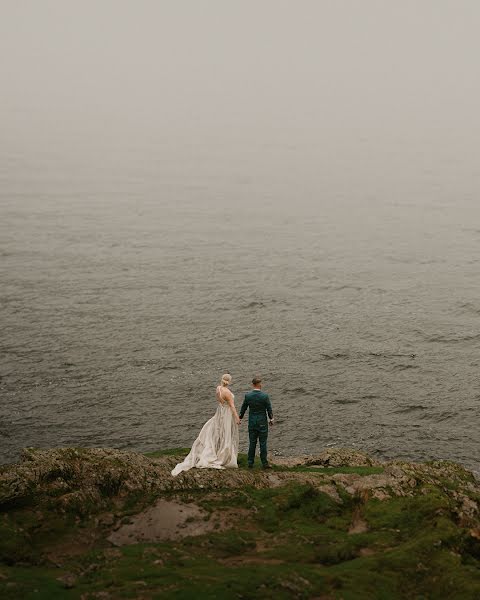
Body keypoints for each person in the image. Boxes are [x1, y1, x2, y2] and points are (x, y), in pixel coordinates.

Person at [171, 374, 240, 476]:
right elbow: (232, 406)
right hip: (226, 414)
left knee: (218, 431)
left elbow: (220, 401)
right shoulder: (228, 392)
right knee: (225, 433)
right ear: (229, 381)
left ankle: (217, 450)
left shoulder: (218, 389)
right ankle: (223, 455)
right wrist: (237, 417)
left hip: (220, 411)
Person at [239, 376, 274, 469]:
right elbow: (269, 409)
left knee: (252, 443)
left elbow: (243, 408)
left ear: (252, 384)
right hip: (262, 422)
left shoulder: (248, 396)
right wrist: (271, 419)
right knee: (263, 443)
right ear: (259, 385)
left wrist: (240, 418)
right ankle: (264, 463)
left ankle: (250, 463)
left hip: (252, 422)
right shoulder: (264, 396)